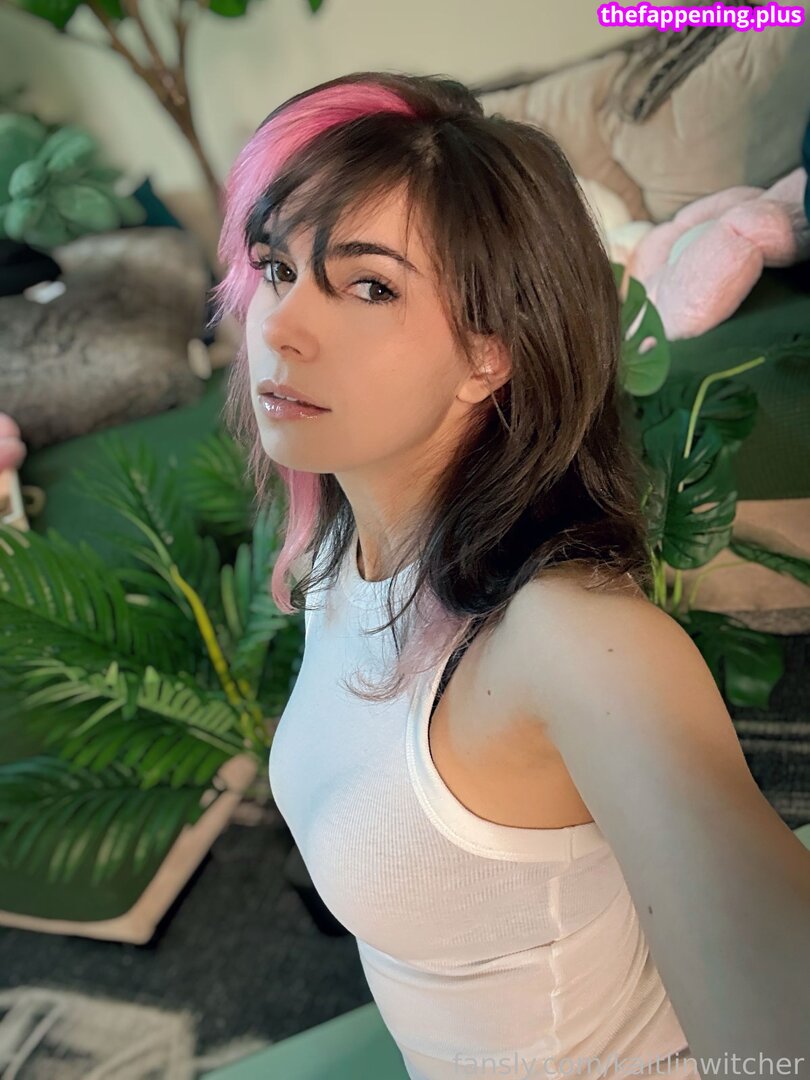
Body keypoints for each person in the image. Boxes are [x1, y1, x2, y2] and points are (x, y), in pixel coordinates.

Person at [210, 72, 810, 1080]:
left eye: (369, 286)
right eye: (277, 267)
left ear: (489, 354)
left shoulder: (574, 642)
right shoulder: (339, 556)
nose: (280, 326)